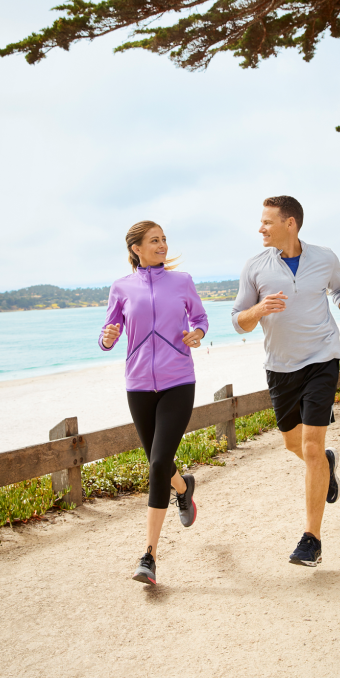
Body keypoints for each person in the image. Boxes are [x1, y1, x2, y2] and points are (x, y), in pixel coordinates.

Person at [232, 196, 340, 567]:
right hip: (280, 367)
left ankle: (311, 540)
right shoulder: (255, 267)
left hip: (322, 359)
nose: (260, 229)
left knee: (313, 447)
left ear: (290, 223)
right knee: (294, 445)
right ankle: (325, 467)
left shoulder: (325, 257)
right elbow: (239, 320)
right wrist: (259, 309)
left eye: (267, 222)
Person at [99, 221, 209, 585]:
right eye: (154, 241)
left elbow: (201, 318)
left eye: (163, 239)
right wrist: (108, 337)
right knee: (157, 463)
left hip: (178, 380)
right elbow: (107, 334)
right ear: (136, 249)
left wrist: (197, 333)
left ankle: (149, 557)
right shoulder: (121, 288)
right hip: (139, 385)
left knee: (159, 462)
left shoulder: (182, 281)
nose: (162, 245)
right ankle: (183, 487)